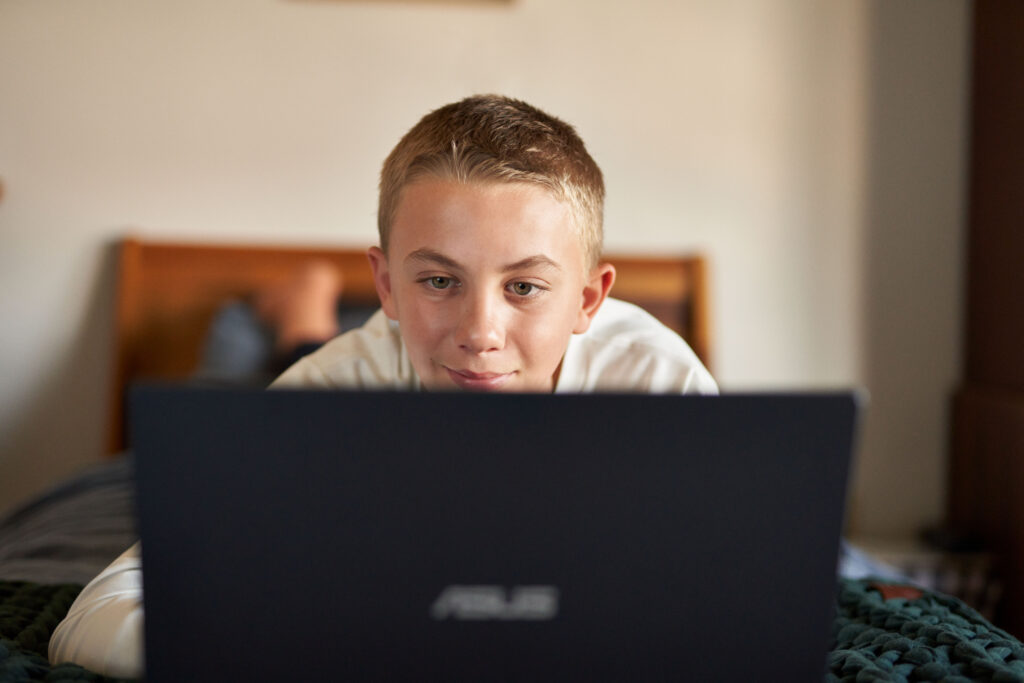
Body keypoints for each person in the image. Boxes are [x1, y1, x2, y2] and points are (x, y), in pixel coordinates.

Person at [48, 94, 716, 678]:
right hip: (363, 368)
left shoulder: (661, 385)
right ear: (388, 283)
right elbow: (92, 619)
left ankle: (304, 310)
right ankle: (296, 308)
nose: (481, 331)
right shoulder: (338, 387)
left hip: (408, 356)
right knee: (225, 389)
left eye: (524, 286)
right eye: (438, 279)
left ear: (588, 300)